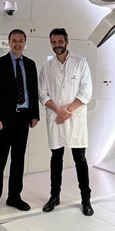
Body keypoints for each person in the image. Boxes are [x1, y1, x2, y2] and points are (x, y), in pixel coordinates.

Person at [39, 28, 94, 216]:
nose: (57, 45)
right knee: (56, 159)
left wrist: (68, 110)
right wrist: (58, 110)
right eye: (54, 42)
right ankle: (54, 196)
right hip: (56, 118)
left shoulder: (80, 64)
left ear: (67, 42)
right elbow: (42, 94)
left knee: (80, 159)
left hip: (75, 118)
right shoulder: (46, 68)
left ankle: (86, 199)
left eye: (60, 42)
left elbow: (86, 91)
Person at [0, 29, 40, 213]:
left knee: (18, 161)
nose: (17, 44)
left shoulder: (31, 64)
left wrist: (35, 115)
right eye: (14, 40)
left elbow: (33, 90)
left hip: (23, 118)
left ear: (25, 43)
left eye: (21, 41)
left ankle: (14, 197)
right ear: (9, 42)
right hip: (3, 121)